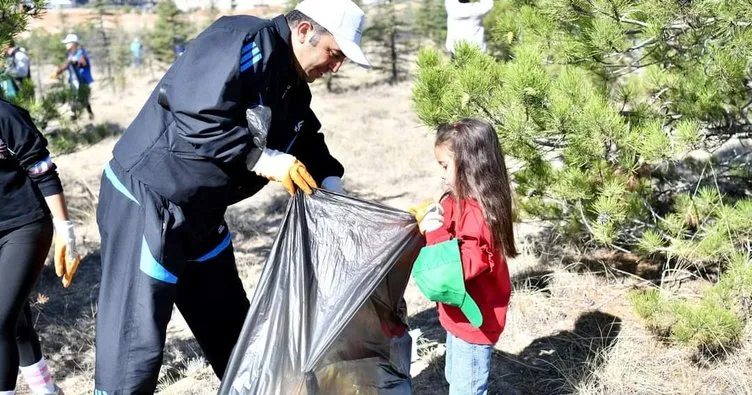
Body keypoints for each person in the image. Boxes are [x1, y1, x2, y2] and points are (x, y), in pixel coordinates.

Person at [93, 0, 371, 392]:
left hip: (202, 213)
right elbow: (195, 110)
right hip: (150, 198)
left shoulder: (291, 82)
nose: (336, 66)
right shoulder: (245, 39)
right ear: (305, 31)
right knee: (134, 342)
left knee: (231, 330)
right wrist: (259, 157)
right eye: (334, 53)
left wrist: (330, 180)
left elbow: (305, 135)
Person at [411, 118, 518, 395]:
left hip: (474, 325)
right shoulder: (456, 200)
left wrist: (434, 233)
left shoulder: (480, 216)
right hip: (458, 320)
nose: (443, 176)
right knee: (455, 377)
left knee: (467, 388)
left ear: (471, 165)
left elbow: (460, 268)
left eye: (445, 166)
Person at [0, 98, 82, 395]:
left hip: (25, 225)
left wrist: (66, 230)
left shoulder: (5, 115)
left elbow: (42, 169)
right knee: (15, 320)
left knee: (0, 319)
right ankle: (48, 391)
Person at [53, 34, 94, 120]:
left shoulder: (81, 53)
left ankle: (89, 115)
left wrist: (76, 62)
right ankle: (75, 116)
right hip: (74, 80)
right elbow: (67, 64)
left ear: (73, 44)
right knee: (74, 98)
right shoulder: (71, 54)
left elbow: (83, 62)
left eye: (67, 43)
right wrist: (58, 71)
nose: (66, 45)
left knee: (83, 98)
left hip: (82, 80)